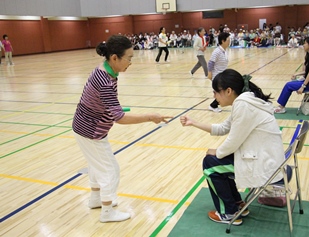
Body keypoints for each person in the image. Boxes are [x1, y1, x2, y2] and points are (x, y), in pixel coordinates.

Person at [72, 35, 171, 223]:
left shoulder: (105, 71)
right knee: (111, 170)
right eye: (129, 58)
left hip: (86, 127)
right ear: (115, 58)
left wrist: (111, 108)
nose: (131, 62)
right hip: (91, 131)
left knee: (97, 165)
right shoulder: (106, 82)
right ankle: (107, 212)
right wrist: (150, 117)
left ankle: (95, 199)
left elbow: (104, 104)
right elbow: (120, 118)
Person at [180, 69, 284, 225]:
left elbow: (234, 141)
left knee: (210, 165)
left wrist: (217, 152)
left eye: (216, 92)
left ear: (228, 91)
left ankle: (228, 213)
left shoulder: (244, 104)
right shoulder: (245, 101)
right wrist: (193, 123)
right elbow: (223, 128)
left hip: (264, 164)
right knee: (217, 161)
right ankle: (236, 204)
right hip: (266, 159)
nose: (214, 96)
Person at [274, 36, 309, 113]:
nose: (303, 45)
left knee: (288, 85)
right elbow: (307, 71)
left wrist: (303, 87)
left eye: (305, 43)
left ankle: (281, 107)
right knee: (290, 84)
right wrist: (296, 74)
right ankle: (281, 105)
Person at [207, 32, 230, 113]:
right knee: (221, 92)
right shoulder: (217, 51)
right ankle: (213, 105)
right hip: (217, 76)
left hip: (222, 75)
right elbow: (210, 63)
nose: (229, 41)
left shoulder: (224, 51)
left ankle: (214, 105)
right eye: (228, 40)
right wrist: (209, 74)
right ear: (223, 41)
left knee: (223, 92)